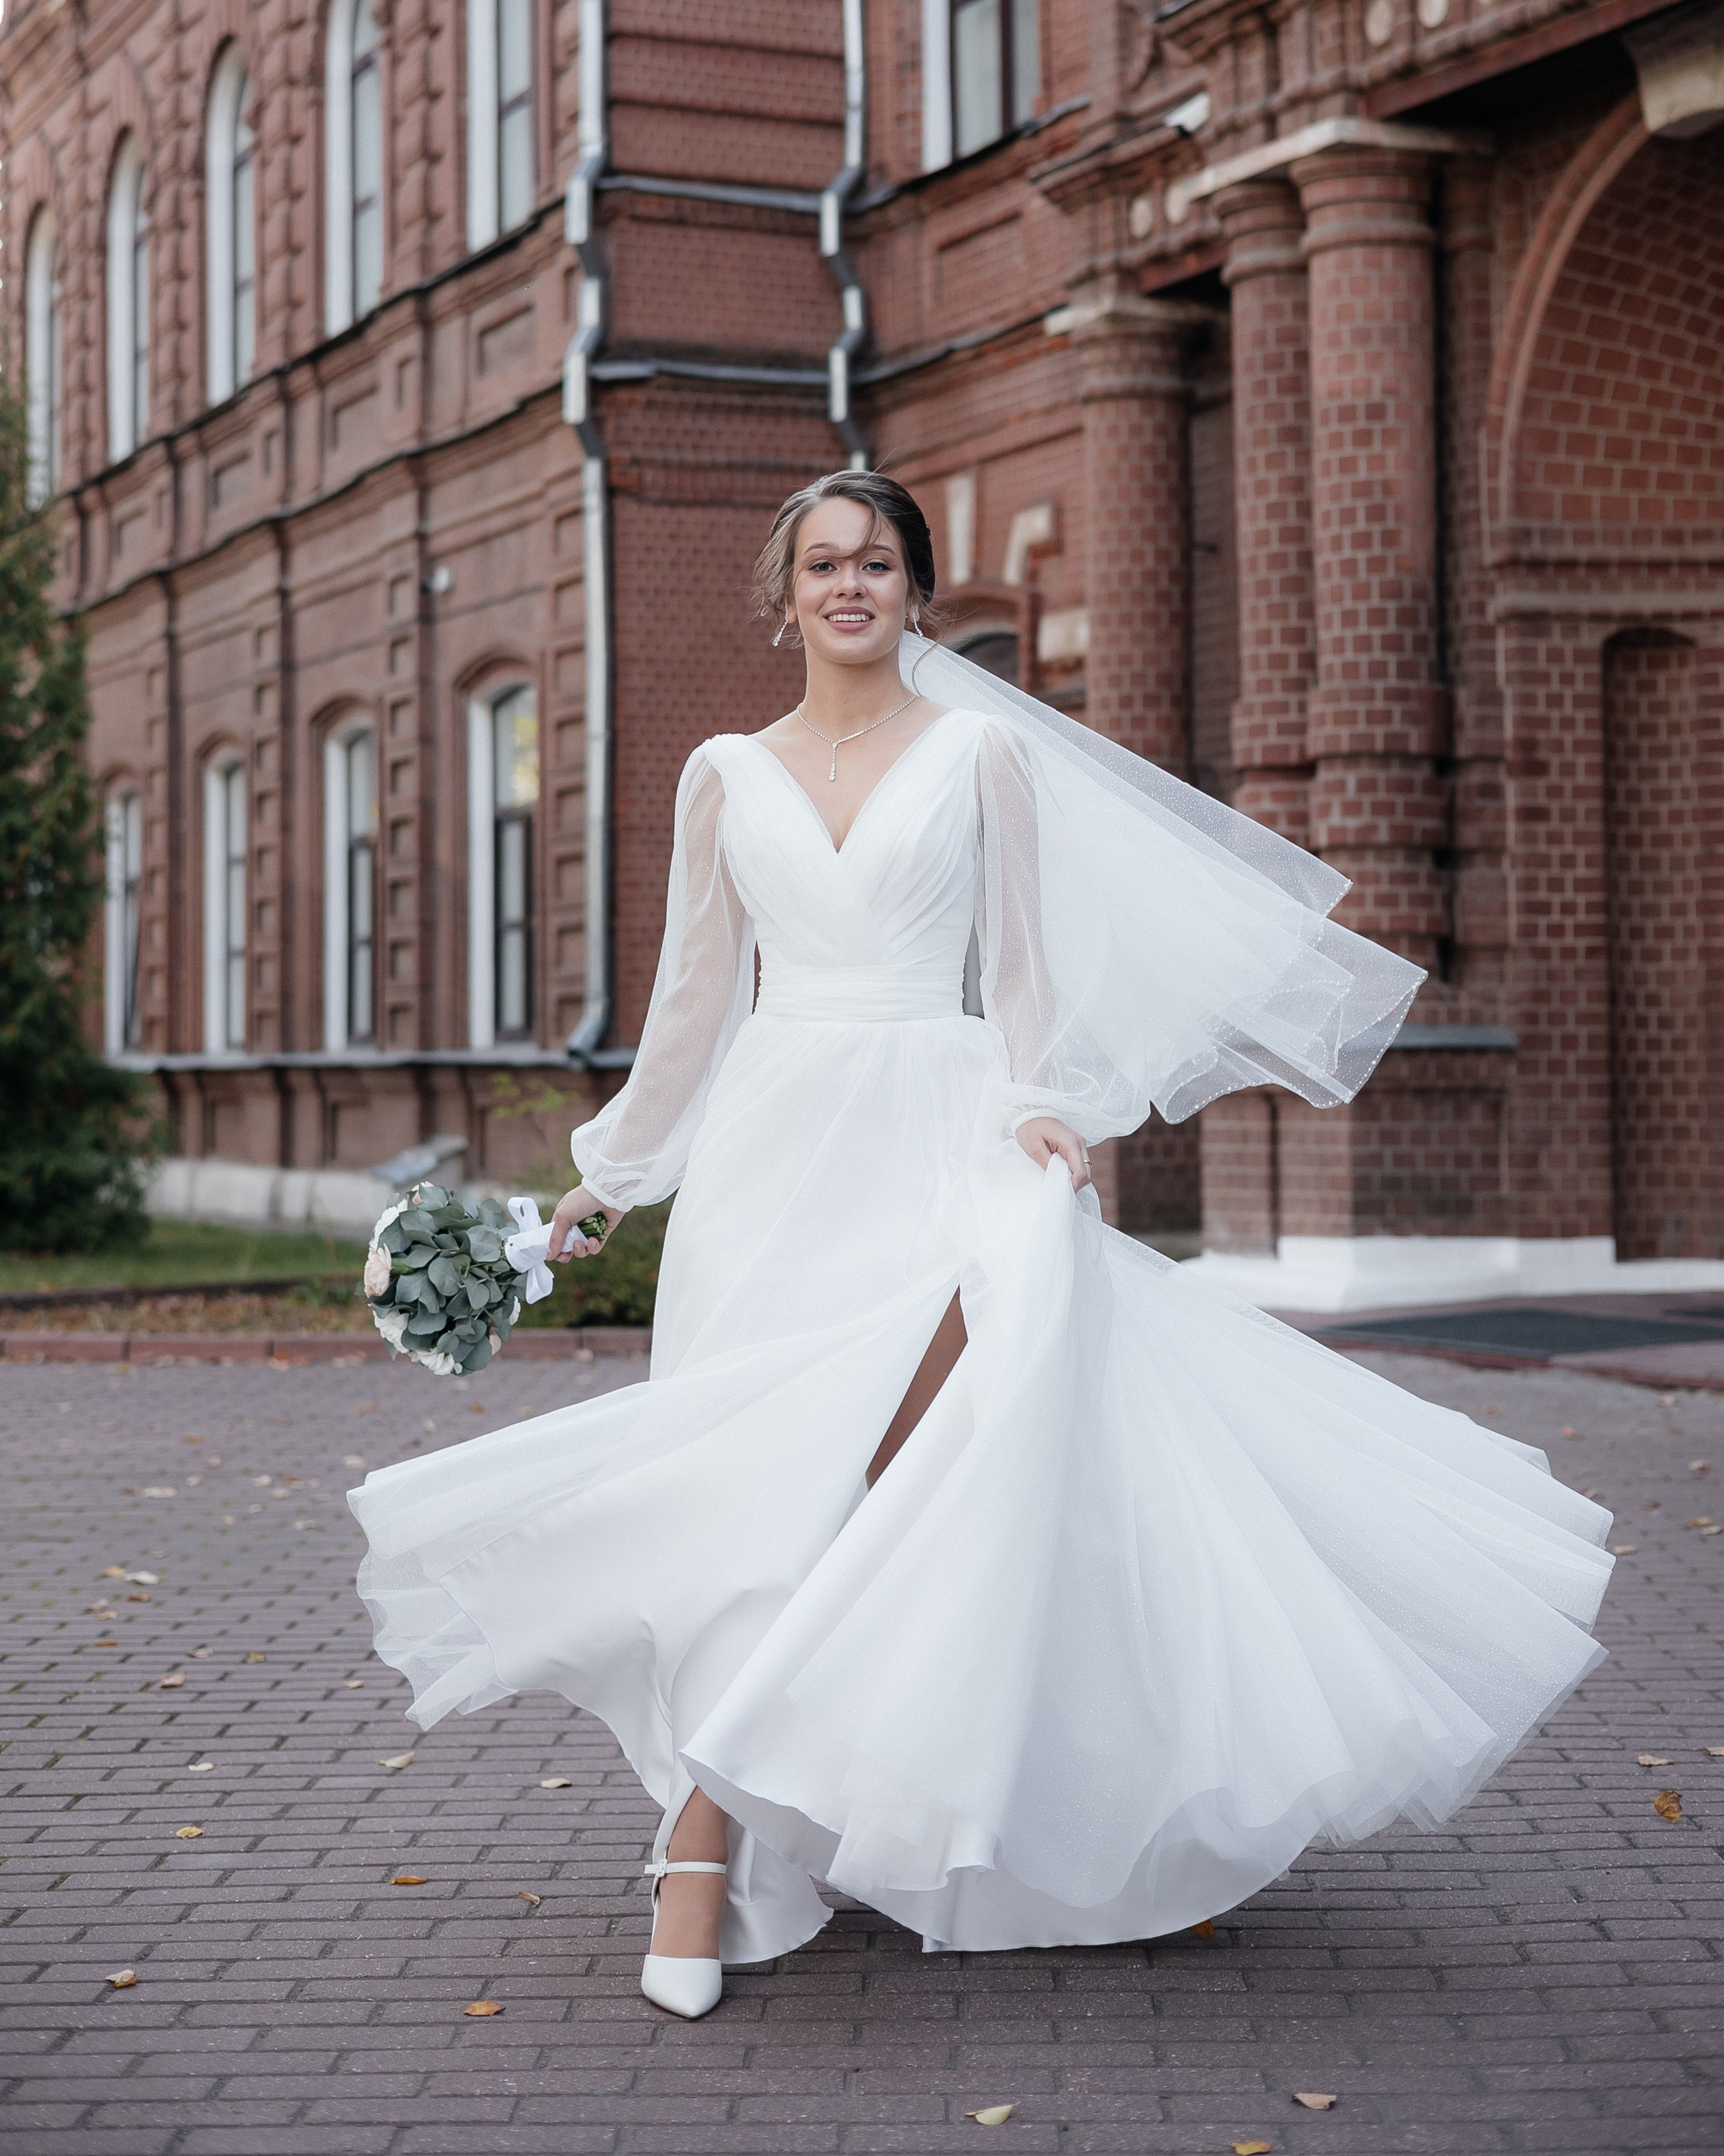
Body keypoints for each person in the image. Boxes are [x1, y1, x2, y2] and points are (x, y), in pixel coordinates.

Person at [351, 469, 1611, 2020]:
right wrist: (597, 1185)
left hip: (935, 1136)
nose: (850, 585)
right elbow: (689, 1009)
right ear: (785, 593)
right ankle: (728, 1820)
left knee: (886, 1475)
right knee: (756, 1493)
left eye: (876, 560)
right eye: (822, 563)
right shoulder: (722, 773)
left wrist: (1044, 1112)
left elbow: (1019, 979)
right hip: (769, 1156)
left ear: (916, 589)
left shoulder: (982, 751)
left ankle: (705, 1828)